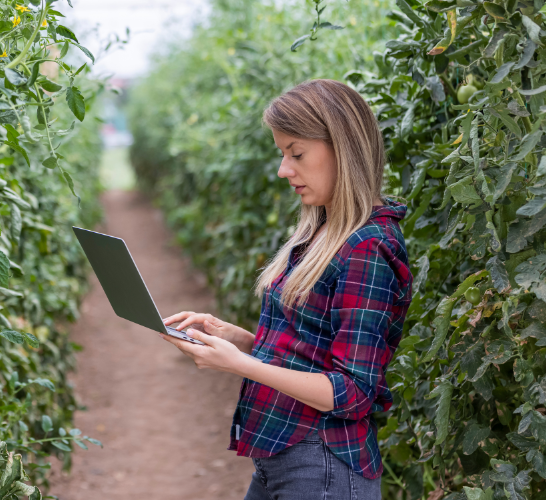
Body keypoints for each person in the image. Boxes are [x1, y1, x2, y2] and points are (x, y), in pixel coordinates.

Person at [160, 79, 413, 500]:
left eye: (296, 153)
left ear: (343, 147)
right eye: (282, 154)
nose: (284, 169)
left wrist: (240, 364)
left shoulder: (368, 248)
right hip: (285, 457)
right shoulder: (324, 232)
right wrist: (237, 339)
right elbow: (310, 351)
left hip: (324, 466)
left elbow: (351, 392)